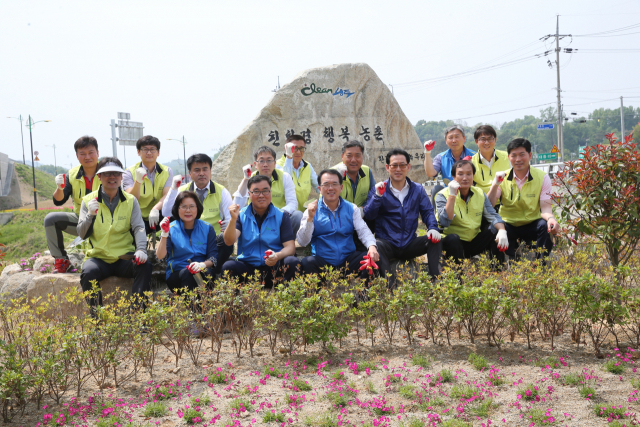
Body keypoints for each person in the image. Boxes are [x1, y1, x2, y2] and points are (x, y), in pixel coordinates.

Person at [76, 157, 152, 312]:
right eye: (107, 174)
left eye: (116, 174)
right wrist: (90, 215)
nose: (112, 177)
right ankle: (97, 320)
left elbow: (138, 227)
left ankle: (138, 314)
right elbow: (82, 234)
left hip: (124, 257)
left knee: (144, 266)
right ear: (99, 177)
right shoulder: (88, 201)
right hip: (98, 258)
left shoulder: (131, 201)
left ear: (121, 176)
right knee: (88, 273)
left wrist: (141, 249)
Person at [364, 149, 442, 284]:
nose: (398, 169)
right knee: (376, 245)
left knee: (435, 240)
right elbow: (369, 215)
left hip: (409, 243)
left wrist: (432, 228)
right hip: (387, 243)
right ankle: (390, 285)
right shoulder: (379, 189)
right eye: (394, 165)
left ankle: (437, 280)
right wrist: (377, 196)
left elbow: (427, 211)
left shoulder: (417, 189)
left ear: (408, 167)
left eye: (402, 165)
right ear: (387, 167)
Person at [297, 169, 380, 280]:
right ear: (320, 189)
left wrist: (372, 247)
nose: (330, 188)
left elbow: (363, 231)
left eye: (334, 184)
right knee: (308, 262)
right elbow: (302, 241)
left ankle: (364, 296)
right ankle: (319, 296)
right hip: (323, 263)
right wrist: (310, 219)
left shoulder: (352, 208)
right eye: (326, 184)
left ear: (341, 188)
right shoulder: (311, 210)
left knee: (368, 259)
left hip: (348, 262)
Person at [162, 153, 234, 276]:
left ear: (210, 171)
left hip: (213, 242)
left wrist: (228, 226)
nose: (201, 173)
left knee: (226, 241)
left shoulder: (222, 191)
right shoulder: (182, 191)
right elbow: (166, 212)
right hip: (188, 241)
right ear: (190, 173)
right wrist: (173, 189)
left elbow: (229, 219)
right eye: (197, 170)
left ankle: (212, 271)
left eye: (205, 169)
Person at [222, 175, 301, 287]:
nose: (261, 195)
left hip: (273, 267)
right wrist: (233, 219)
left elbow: (290, 248)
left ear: (270, 192)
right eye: (256, 191)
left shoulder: (282, 216)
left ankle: (290, 299)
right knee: (228, 267)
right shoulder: (241, 215)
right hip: (248, 268)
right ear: (249, 194)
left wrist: (277, 256)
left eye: (265, 191)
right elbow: (229, 241)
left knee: (293, 263)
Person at [487, 138, 559, 259]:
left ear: (530, 155)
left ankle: (540, 266)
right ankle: (501, 268)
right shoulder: (502, 177)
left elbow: (545, 208)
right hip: (508, 223)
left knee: (545, 226)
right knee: (492, 230)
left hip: (532, 223)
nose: (518, 159)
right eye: (513, 155)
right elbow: (490, 204)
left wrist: (552, 219)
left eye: (522, 155)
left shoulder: (542, 177)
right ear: (509, 157)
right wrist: (495, 184)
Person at [44, 136, 101, 273]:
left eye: (91, 152)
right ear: (77, 156)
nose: (87, 157)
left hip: (106, 221)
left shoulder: (107, 171)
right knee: (50, 220)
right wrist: (60, 187)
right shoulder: (73, 174)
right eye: (82, 153)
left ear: (97, 153)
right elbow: (59, 201)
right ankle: (62, 261)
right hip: (81, 221)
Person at [435, 160, 508, 264]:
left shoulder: (479, 193)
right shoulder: (442, 195)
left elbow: (493, 215)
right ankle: (457, 277)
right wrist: (452, 196)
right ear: (453, 177)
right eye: (460, 174)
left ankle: (498, 270)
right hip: (452, 244)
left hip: (473, 241)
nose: (465, 178)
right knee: (453, 239)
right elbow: (444, 222)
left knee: (496, 229)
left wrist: (502, 230)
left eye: (469, 174)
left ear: (473, 176)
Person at [156, 191, 217, 294]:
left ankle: (196, 309)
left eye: (192, 206)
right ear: (177, 209)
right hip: (177, 275)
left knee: (206, 276)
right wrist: (164, 234)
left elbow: (213, 257)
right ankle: (196, 309)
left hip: (202, 271)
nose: (188, 210)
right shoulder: (171, 229)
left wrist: (202, 264)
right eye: (184, 207)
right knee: (188, 274)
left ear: (197, 208)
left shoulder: (207, 228)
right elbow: (160, 256)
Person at [233, 146, 302, 236]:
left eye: (269, 160)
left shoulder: (285, 177)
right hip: (256, 220)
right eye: (261, 161)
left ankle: (285, 242)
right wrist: (246, 179)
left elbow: (293, 203)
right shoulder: (249, 178)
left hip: (279, 218)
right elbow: (237, 205)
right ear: (255, 164)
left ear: (275, 163)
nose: (265, 164)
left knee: (298, 216)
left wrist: (277, 214)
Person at [123, 135, 173, 234]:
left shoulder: (167, 171)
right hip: (138, 216)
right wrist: (138, 181)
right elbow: (131, 198)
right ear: (138, 152)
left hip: (159, 212)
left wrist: (155, 209)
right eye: (145, 149)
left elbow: (167, 195)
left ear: (158, 152)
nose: (149, 152)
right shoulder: (129, 172)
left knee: (177, 213)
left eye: (153, 149)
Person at [276, 134, 319, 212]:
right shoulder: (277, 165)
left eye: (301, 148)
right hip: (284, 213)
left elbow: (319, 186)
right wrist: (289, 157)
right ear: (286, 149)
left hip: (304, 214)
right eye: (294, 148)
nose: (298, 152)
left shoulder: (307, 166)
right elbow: (286, 181)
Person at [331, 140, 376, 211]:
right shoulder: (332, 173)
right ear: (342, 157)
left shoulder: (367, 171)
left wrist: (362, 208)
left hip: (362, 216)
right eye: (349, 156)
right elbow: (325, 200)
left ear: (362, 157)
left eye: (357, 156)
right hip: (338, 217)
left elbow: (374, 195)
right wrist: (336, 179)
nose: (353, 160)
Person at [469, 125, 511, 194]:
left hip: (505, 202)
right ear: (476, 141)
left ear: (495, 140)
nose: (487, 142)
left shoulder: (508, 157)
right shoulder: (471, 162)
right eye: (483, 139)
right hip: (482, 202)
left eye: (490, 139)